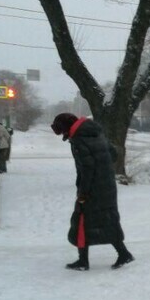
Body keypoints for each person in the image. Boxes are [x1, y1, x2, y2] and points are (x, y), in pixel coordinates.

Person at [51, 113, 134, 272]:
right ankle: (123, 253)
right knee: (107, 220)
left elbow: (87, 170)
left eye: (62, 132)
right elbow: (114, 155)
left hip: (93, 188)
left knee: (81, 220)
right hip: (107, 186)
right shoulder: (96, 133)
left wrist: (83, 194)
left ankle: (83, 261)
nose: (64, 136)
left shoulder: (78, 141)